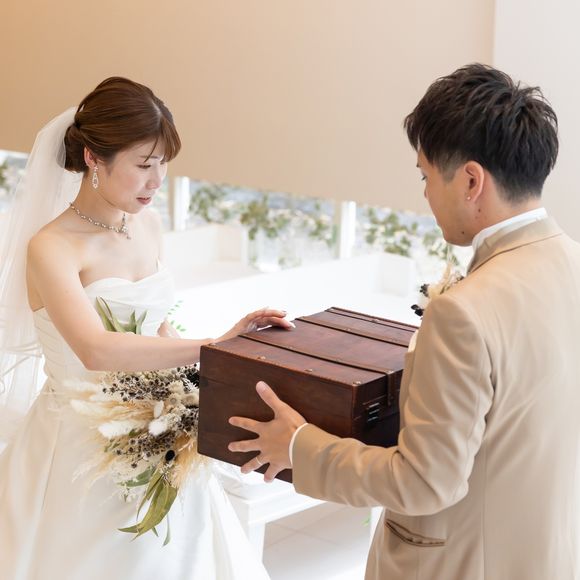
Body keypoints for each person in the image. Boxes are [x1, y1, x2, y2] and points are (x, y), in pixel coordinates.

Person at [229, 63, 580, 579]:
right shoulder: (571, 263)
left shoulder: (464, 312)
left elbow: (425, 483)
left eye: (425, 175)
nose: (424, 194)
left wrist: (299, 446)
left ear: (471, 180)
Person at [0, 77, 292, 579]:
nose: (157, 181)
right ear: (93, 158)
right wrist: (211, 344)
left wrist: (214, 367)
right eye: (143, 164)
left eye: (163, 164)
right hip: (76, 447)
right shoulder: (51, 247)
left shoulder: (149, 226)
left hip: (157, 428)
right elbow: (93, 349)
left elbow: (156, 328)